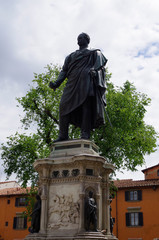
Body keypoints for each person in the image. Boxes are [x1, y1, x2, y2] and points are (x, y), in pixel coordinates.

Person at [49, 33, 107, 142]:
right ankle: (63, 135)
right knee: (63, 106)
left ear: (87, 40)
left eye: (81, 38)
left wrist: (95, 71)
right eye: (78, 38)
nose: (79, 40)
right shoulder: (70, 56)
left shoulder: (95, 53)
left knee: (86, 107)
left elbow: (100, 66)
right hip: (72, 83)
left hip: (86, 82)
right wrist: (57, 83)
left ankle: (85, 134)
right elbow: (64, 71)